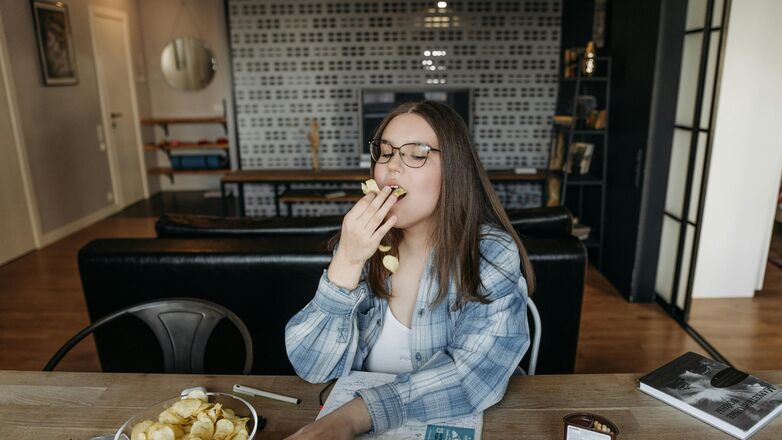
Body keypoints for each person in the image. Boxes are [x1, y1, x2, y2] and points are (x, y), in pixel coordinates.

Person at [284, 100, 535, 439]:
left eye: (416, 154)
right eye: (385, 153)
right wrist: (346, 261)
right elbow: (313, 368)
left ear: (454, 169)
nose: (391, 169)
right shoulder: (365, 248)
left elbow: (473, 375)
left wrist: (353, 416)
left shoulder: (489, 253)